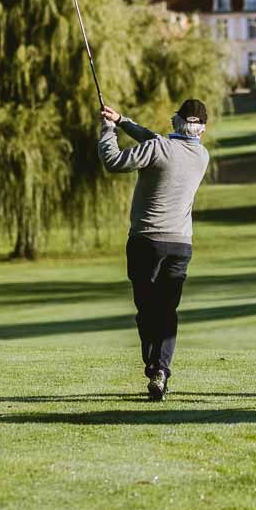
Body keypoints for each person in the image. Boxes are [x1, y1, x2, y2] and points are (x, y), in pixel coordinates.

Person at [98, 99, 210, 400]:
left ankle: (154, 366)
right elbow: (157, 143)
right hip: (180, 245)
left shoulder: (159, 147)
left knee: (146, 310)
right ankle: (161, 368)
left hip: (146, 241)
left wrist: (108, 129)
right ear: (202, 129)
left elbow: (114, 161)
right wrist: (123, 120)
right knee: (166, 310)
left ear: (175, 121)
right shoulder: (202, 155)